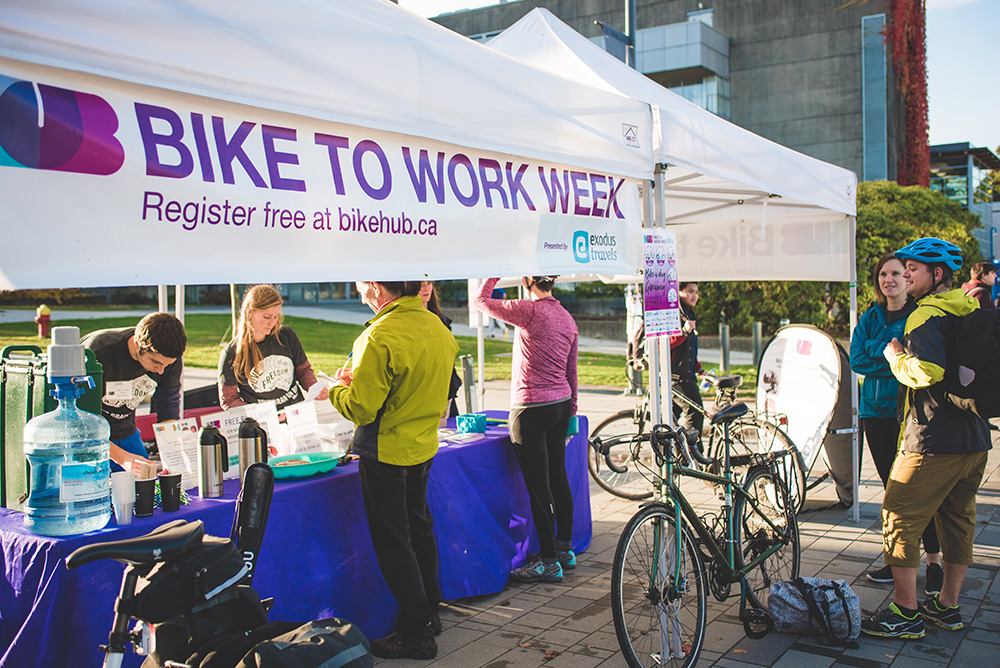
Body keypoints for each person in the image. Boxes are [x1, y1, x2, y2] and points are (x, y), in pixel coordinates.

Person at [861, 238, 991, 640]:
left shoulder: (926, 315)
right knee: (957, 520)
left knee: (898, 516)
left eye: (913, 269)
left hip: (934, 439)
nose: (907, 274)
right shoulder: (971, 306)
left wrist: (895, 354)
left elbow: (927, 371)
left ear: (936, 274)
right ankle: (947, 606)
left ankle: (904, 611)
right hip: (975, 435)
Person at [329, 281, 458, 660]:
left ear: (375, 287)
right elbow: (414, 386)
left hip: (386, 450)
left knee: (395, 542)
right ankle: (429, 611)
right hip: (420, 444)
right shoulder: (437, 327)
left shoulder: (378, 335)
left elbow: (362, 409)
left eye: (361, 287)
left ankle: (417, 631)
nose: (360, 293)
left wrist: (338, 387)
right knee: (419, 529)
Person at [474, 276, 578, 584]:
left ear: (526, 280)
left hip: (531, 407)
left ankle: (547, 562)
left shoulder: (528, 310)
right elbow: (572, 371)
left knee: (538, 487)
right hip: (561, 402)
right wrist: (571, 411)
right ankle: (564, 549)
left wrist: (494, 272)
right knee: (558, 476)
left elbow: (480, 302)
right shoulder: (565, 316)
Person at [849, 254, 937, 587]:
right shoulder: (871, 316)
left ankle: (933, 562)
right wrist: (892, 352)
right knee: (891, 491)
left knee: (917, 492)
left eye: (896, 273)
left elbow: (920, 362)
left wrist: (888, 355)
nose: (889, 279)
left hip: (909, 414)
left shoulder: (919, 315)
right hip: (874, 411)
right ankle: (897, 560)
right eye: (883, 274)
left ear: (908, 278)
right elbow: (858, 359)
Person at [82, 312, 186, 473]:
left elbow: (168, 404)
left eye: (167, 365)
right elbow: (83, 420)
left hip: (127, 431)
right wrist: (122, 458)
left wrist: (171, 449)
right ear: (137, 344)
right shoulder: (99, 354)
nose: (160, 371)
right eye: (155, 362)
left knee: (144, 482)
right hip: (88, 437)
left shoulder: (169, 357)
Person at [218, 284, 327, 410]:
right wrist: (265, 415)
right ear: (249, 312)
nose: (272, 322)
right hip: (264, 424)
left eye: (276, 316)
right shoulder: (231, 353)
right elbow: (229, 401)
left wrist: (313, 388)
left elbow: (303, 370)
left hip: (297, 414)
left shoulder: (286, 335)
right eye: (266, 317)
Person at [417, 280, 462, 417]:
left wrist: (451, 390)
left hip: (445, 389)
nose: (426, 289)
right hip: (423, 392)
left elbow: (448, 360)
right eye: (421, 285)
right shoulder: (409, 321)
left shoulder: (441, 319)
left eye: (429, 283)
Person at [669, 282, 705, 436]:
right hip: (677, 377)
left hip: (687, 374)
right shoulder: (673, 313)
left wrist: (698, 368)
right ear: (679, 292)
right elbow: (662, 343)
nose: (694, 296)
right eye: (690, 291)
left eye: (696, 292)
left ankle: (671, 452)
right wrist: (683, 331)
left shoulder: (688, 313)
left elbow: (688, 349)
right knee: (695, 410)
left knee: (670, 417)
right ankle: (691, 452)